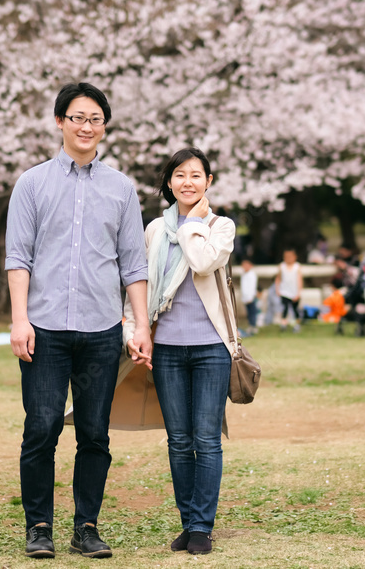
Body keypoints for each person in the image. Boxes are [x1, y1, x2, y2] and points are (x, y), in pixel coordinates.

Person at [4, 83, 150, 560]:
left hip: (101, 332)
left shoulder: (121, 188)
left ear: (104, 127)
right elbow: (18, 258)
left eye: (95, 119)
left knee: (95, 433)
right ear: (60, 122)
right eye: (77, 117)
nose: (86, 127)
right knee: (41, 427)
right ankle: (39, 527)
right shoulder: (32, 183)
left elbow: (134, 264)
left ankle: (86, 526)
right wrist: (19, 319)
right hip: (43, 330)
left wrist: (141, 325)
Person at [121, 147, 235, 556]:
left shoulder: (220, 227)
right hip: (167, 348)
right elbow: (139, 284)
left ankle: (202, 526)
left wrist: (191, 223)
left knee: (206, 439)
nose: (188, 182)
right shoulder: (153, 230)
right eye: (180, 175)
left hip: (211, 349)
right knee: (178, 439)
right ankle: (188, 522)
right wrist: (133, 330)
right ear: (168, 182)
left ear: (208, 182)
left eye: (196, 175)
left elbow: (203, 263)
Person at [275, 249, 303, 332]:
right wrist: (278, 289)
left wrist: (298, 292)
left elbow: (299, 280)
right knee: (285, 308)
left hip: (294, 291)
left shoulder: (297, 267)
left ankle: (297, 324)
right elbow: (278, 278)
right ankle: (283, 324)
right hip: (284, 291)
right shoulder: (282, 266)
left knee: (295, 309)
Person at [240, 259, 259, 335]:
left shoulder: (252, 274)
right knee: (248, 313)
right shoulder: (244, 274)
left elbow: (252, 287)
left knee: (252, 313)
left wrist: (250, 297)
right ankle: (250, 326)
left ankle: (253, 327)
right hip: (245, 297)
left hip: (250, 297)